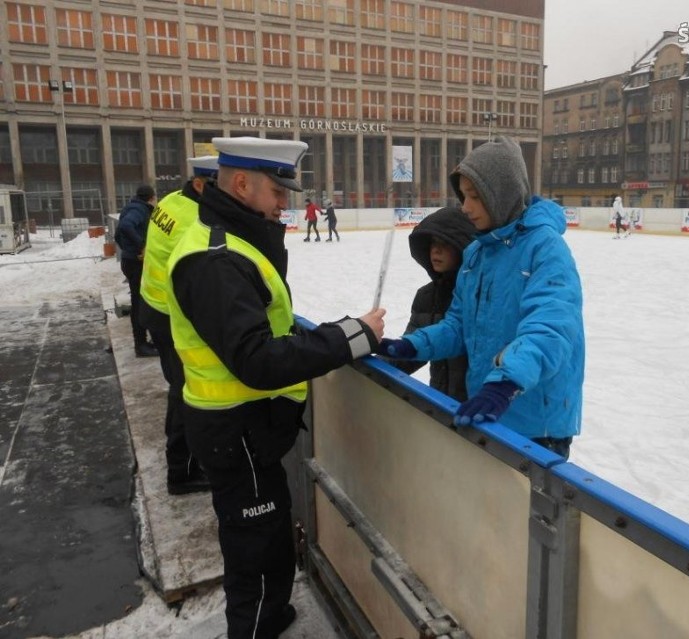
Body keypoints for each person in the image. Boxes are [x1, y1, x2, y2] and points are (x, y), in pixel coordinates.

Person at [165, 136, 385, 638]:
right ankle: (254, 626)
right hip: (234, 427)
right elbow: (257, 360)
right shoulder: (215, 259)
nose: (286, 205)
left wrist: (333, 333)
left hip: (247, 428)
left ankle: (272, 611)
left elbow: (268, 329)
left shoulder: (231, 241)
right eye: (277, 193)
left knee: (267, 525)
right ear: (241, 184)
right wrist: (349, 338)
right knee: (253, 540)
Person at [379, 136, 585, 458]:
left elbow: (550, 328)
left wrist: (505, 383)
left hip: (534, 423)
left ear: (501, 195)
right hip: (486, 408)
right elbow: (458, 325)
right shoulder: (476, 254)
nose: (466, 207)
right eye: (463, 196)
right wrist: (414, 345)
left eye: (475, 196)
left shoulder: (545, 248)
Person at [139, 156, 218, 495]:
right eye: (218, 186)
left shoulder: (171, 200)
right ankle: (182, 471)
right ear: (200, 185)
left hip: (154, 307)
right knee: (185, 392)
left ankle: (184, 464)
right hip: (170, 316)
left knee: (178, 385)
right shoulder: (195, 221)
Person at [383, 206, 476, 401]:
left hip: (479, 408)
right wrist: (377, 363)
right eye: (433, 243)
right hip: (441, 403)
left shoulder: (479, 294)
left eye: (444, 243)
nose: (436, 250)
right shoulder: (427, 296)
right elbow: (412, 349)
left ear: (463, 247)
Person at [115, 183, 158, 356]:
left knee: (140, 302)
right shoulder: (139, 210)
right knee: (140, 304)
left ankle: (144, 342)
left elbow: (118, 234)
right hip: (136, 263)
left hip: (130, 260)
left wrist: (127, 250)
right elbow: (126, 226)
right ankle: (140, 345)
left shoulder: (131, 207)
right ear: (151, 198)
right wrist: (141, 247)